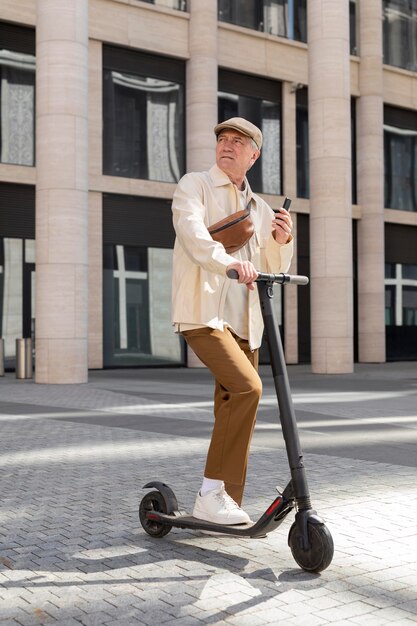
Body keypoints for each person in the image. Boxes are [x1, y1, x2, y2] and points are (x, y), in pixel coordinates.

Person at [171, 117, 294, 525]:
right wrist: (228, 265)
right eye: (222, 138)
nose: (227, 145)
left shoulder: (259, 208)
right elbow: (193, 236)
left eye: (238, 141)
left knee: (232, 404)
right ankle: (211, 495)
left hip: (246, 321)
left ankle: (224, 500)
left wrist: (280, 241)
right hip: (203, 313)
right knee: (248, 389)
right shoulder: (195, 185)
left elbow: (269, 265)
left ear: (253, 155)